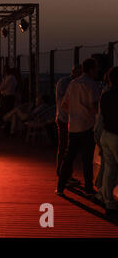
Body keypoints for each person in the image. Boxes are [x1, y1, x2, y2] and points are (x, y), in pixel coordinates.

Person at [56, 58, 102, 197]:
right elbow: (94, 104)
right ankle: (88, 189)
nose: (97, 71)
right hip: (87, 126)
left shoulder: (72, 84)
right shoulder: (91, 84)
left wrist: (74, 113)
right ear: (91, 69)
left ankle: (60, 187)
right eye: (96, 68)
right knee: (87, 160)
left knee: (69, 157)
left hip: (73, 126)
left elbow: (64, 104)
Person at [97, 67, 118, 216]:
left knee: (109, 170)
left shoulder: (105, 95)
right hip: (117, 135)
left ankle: (108, 201)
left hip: (106, 134)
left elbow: (101, 117)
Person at [55, 65, 82, 178]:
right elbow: (63, 102)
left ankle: (64, 172)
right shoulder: (69, 83)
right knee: (66, 146)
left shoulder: (64, 82)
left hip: (65, 118)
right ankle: (63, 172)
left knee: (66, 146)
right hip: (65, 118)